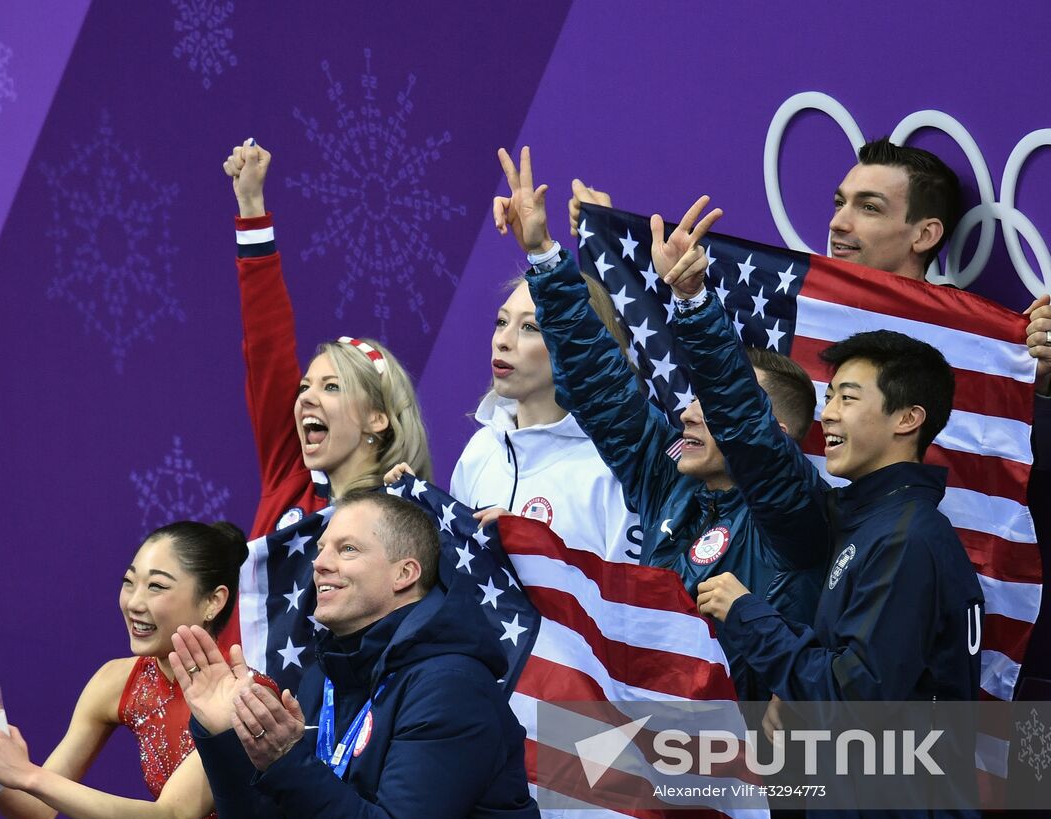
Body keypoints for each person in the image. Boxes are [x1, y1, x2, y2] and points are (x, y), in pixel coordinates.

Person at [495, 147, 826, 667]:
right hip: (658, 732)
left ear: (776, 435)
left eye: (712, 407)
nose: (690, 413)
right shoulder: (668, 481)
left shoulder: (796, 520)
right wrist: (543, 256)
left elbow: (741, 417)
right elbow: (600, 384)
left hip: (750, 741)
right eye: (695, 400)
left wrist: (693, 301)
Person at [570, 135, 1051, 468]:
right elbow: (684, 368)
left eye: (869, 208)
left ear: (924, 234)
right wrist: (616, 247)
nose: (839, 222)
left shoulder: (969, 339)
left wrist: (1041, 378)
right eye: (840, 203)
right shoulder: (785, 302)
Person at [694, 328, 984, 819]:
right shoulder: (871, 524)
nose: (827, 414)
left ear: (907, 419)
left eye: (848, 398)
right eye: (829, 397)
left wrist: (748, 614)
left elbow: (856, 697)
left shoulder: (906, 541)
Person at [170, 491, 553, 819]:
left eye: (347, 549)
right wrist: (223, 736)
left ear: (404, 573)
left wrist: (286, 761)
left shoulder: (451, 685)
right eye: (320, 550)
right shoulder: (330, 674)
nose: (319, 563)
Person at [0, 521, 257, 819]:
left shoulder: (244, 694)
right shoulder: (116, 680)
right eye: (130, 582)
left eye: (157, 586)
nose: (134, 602)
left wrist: (26, 773)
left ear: (213, 601)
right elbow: (36, 814)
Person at [224, 140, 431, 541]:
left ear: (378, 417)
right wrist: (251, 206)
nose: (305, 398)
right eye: (306, 386)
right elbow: (267, 345)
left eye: (332, 386)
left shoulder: (402, 520)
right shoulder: (289, 476)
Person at [387, 270, 641, 562]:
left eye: (530, 327)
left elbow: (627, 601)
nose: (503, 341)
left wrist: (532, 549)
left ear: (580, 346)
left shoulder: (613, 468)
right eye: (501, 322)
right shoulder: (481, 451)